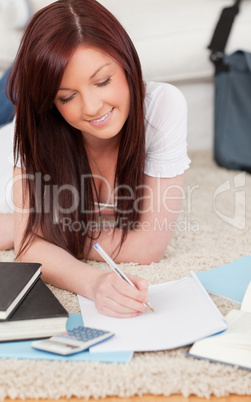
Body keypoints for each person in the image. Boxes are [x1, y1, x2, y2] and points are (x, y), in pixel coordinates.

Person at [1, 0, 190, 318]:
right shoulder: (35, 123)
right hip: (9, 125)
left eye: (102, 81)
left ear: (127, 62)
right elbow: (28, 250)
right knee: (15, 86)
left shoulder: (162, 105)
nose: (91, 107)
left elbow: (148, 246)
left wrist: (36, 229)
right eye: (66, 96)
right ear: (52, 102)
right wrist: (93, 282)